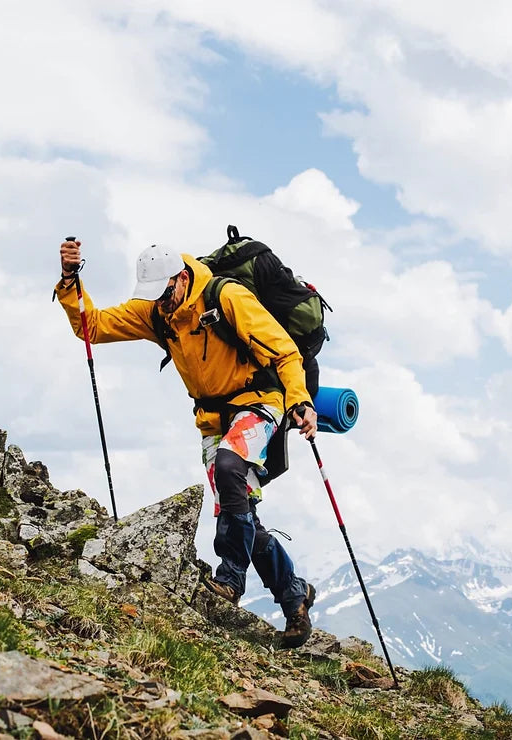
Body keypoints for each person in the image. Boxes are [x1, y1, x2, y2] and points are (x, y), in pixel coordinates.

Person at [56, 238, 319, 648]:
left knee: (232, 467)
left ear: (181, 278)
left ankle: (230, 578)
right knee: (242, 513)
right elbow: (91, 326)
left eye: (164, 292)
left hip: (259, 403)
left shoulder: (226, 297)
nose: (159, 302)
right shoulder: (158, 313)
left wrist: (300, 400)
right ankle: (293, 594)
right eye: (153, 296)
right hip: (212, 421)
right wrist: (71, 280)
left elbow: (285, 353)